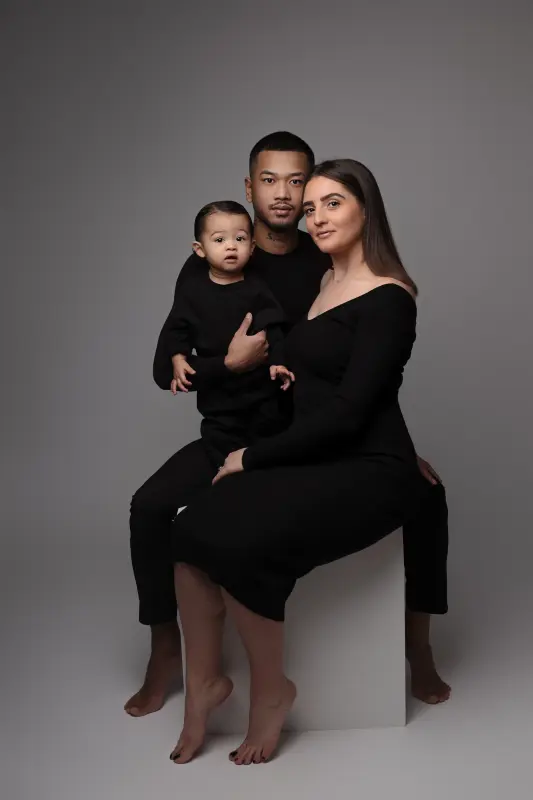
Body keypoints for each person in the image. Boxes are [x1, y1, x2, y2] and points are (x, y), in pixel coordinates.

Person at [125, 132, 449, 720]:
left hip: (299, 433)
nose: (287, 197)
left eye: (298, 183)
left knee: (429, 498)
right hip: (234, 430)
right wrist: (230, 364)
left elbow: (356, 368)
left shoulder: (322, 261)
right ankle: (164, 651)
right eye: (270, 182)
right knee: (150, 508)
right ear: (249, 188)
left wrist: (394, 444)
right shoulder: (215, 256)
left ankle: (418, 650)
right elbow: (163, 366)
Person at [164, 199, 293, 470]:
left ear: (252, 247)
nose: (231, 246)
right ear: (200, 250)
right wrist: (178, 357)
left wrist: (278, 361)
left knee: (267, 447)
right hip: (219, 404)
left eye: (240, 238)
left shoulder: (257, 289)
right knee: (220, 453)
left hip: (261, 396)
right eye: (220, 240)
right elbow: (177, 328)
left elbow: (274, 326)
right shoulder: (192, 292)